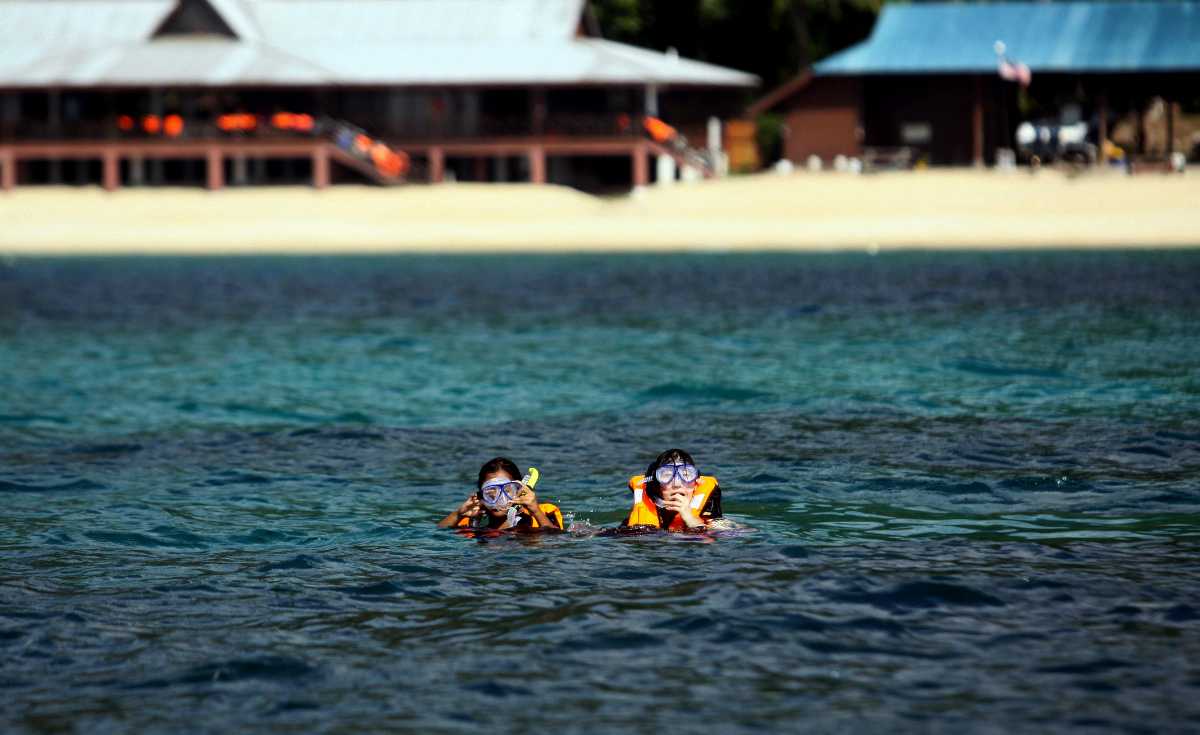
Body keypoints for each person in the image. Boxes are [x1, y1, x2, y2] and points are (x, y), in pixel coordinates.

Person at [438, 457, 564, 532]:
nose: (499, 499)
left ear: (520, 489)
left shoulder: (544, 513)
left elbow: (555, 543)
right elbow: (440, 534)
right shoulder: (474, 521)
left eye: (507, 491)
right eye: (491, 493)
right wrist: (458, 514)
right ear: (481, 496)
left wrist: (535, 510)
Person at [621, 448, 722, 532]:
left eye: (686, 475)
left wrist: (691, 519)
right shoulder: (634, 522)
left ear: (696, 483)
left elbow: (730, 536)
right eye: (667, 476)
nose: (677, 484)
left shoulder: (711, 520)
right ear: (657, 485)